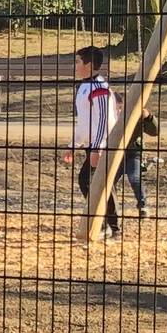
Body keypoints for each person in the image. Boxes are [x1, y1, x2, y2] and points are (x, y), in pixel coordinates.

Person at [62, 45, 124, 239]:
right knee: (97, 182)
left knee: (92, 181)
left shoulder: (100, 88)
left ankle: (109, 225)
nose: (75, 66)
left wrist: (98, 147)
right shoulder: (84, 86)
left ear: (88, 65)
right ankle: (109, 225)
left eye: (78, 61)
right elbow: (84, 122)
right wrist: (73, 145)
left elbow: (105, 120)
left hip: (102, 145)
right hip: (92, 145)